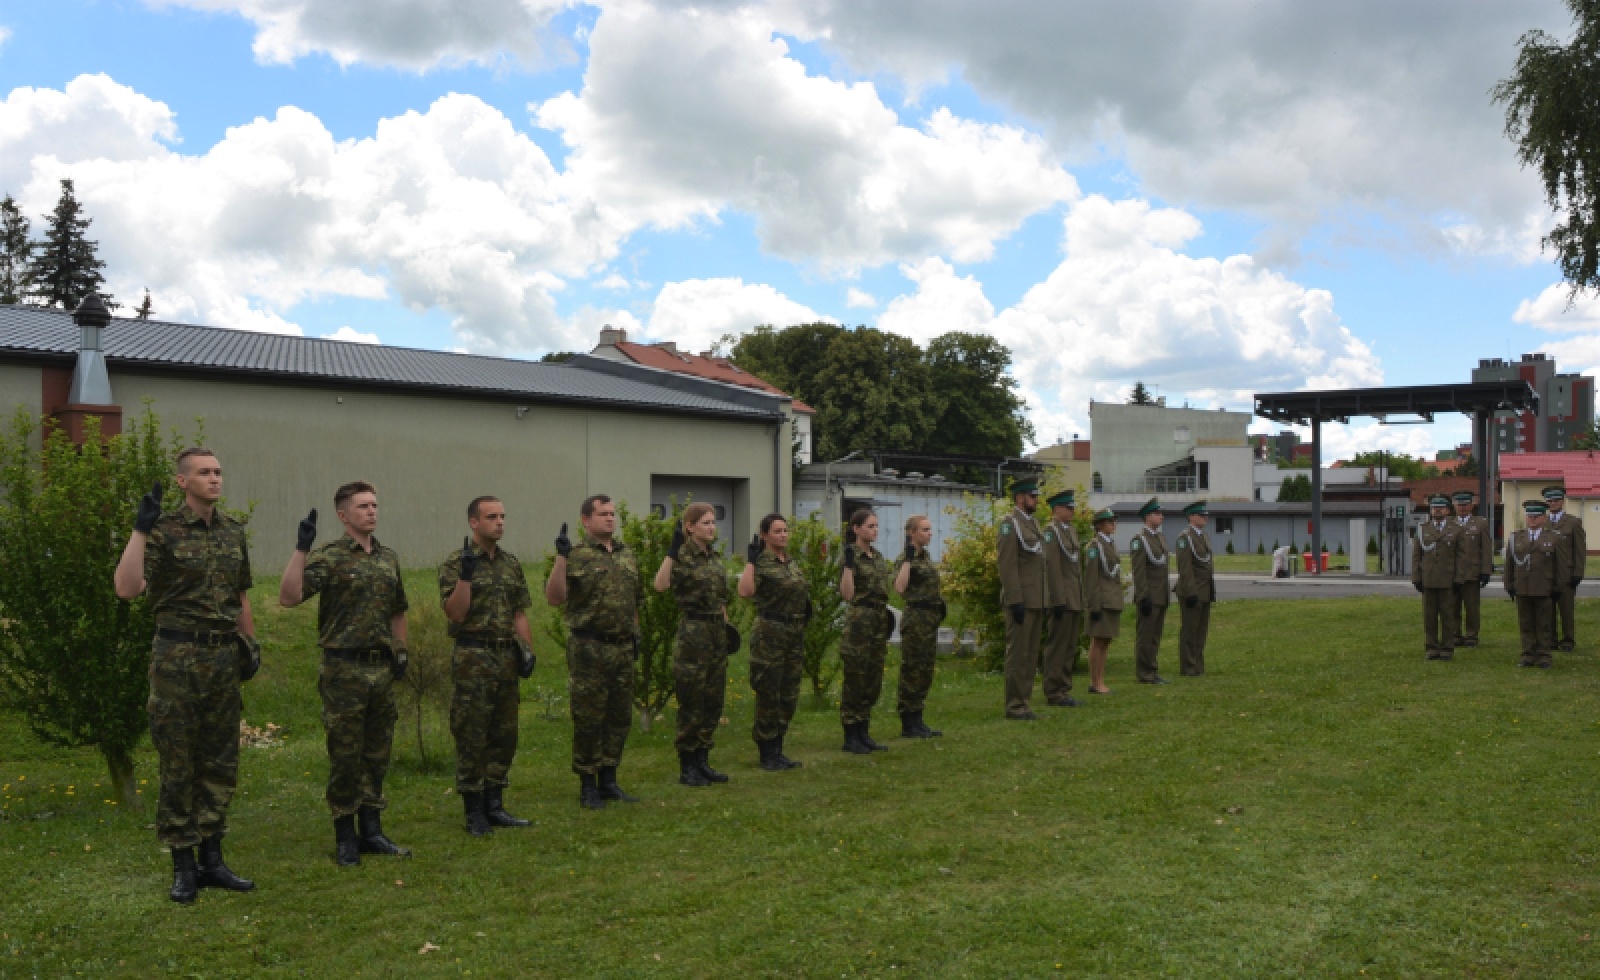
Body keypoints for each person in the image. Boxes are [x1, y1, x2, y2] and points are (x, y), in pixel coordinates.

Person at [113, 448, 258, 904]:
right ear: (182, 482)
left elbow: (241, 595)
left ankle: (213, 859)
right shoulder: (163, 530)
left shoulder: (233, 531)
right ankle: (183, 864)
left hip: (222, 659)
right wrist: (140, 529)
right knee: (178, 760)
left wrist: (250, 644)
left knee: (219, 760)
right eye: (204, 473)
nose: (215, 479)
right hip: (178, 657)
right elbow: (127, 587)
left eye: (218, 471)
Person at [279, 482, 411, 865]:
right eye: (363, 506)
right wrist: (301, 549)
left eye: (374, 504)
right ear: (343, 515)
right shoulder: (330, 557)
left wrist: (401, 651)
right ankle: (345, 834)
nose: (372, 511)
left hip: (380, 667)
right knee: (346, 754)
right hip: (344, 669)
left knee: (377, 752)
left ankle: (372, 830)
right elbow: (288, 597)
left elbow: (397, 609)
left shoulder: (388, 557)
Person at [440, 496, 535, 834]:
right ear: (473, 522)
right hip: (473, 657)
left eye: (503, 516)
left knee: (504, 732)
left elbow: (519, 611)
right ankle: (474, 810)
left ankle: (495, 804)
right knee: (472, 732)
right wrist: (466, 577)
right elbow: (455, 613)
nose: (500, 522)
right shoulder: (456, 562)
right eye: (492, 517)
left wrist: (527, 649)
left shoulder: (510, 563)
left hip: (506, 657)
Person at [546, 495, 643, 809]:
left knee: (618, 716)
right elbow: (554, 597)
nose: (610, 519)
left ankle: (609, 779)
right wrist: (561, 558)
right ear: (586, 520)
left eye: (613, 514)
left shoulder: (627, 555)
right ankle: (588, 783)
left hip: (623, 647)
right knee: (589, 717)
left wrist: (636, 634)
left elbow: (634, 601)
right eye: (603, 514)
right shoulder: (576, 555)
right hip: (590, 646)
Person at [653, 502, 734, 788]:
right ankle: (687, 764)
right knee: (693, 697)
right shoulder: (682, 556)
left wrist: (727, 628)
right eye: (705, 523)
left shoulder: (712, 557)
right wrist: (671, 552)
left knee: (713, 698)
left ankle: (703, 759)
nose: (712, 527)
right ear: (690, 526)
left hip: (715, 631)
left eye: (713, 522)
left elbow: (720, 598)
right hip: (694, 631)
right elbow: (660, 585)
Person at [738, 514, 808, 771]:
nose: (783, 535)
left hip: (793, 633)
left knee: (788, 692)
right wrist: (751, 561)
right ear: (765, 535)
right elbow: (745, 592)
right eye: (777, 531)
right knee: (769, 691)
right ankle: (767, 750)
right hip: (770, 632)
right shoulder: (762, 562)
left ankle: (779, 746)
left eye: (785, 530)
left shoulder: (790, 562)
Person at [838, 508, 893, 753]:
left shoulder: (878, 556)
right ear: (856, 529)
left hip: (878, 619)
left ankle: (864, 729)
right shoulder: (851, 555)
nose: (875, 530)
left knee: (872, 676)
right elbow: (847, 594)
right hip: (860, 618)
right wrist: (849, 566)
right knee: (856, 676)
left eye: (876, 526)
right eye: (870, 526)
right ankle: (851, 733)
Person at [997, 478, 1049, 720]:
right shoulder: (1010, 525)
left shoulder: (1032, 524)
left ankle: (1024, 702)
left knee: (1030, 654)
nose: (1036, 500)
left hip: (1036, 598)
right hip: (1022, 600)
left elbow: (1039, 565)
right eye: (1032, 496)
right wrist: (1014, 599)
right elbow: (1007, 566)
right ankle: (1014, 705)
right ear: (1020, 498)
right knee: (1018, 654)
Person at [893, 514, 946, 737]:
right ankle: (908, 720)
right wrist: (907, 559)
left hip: (930, 618)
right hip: (916, 617)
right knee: (912, 669)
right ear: (912, 533)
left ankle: (918, 718)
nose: (929, 533)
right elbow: (899, 588)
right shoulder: (906, 558)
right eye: (924, 530)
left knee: (924, 669)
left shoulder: (926, 557)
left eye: (929, 529)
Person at [1505, 499, 1570, 668]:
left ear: (1544, 518)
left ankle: (1544, 656)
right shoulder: (1516, 537)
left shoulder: (1555, 538)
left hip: (1544, 588)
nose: (1532, 519)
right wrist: (1509, 585)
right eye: (1529, 516)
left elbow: (1561, 566)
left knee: (1544, 624)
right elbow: (1509, 565)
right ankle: (1527, 655)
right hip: (1523, 587)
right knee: (1526, 623)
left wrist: (1558, 587)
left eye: (1536, 516)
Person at [1040, 490, 1084, 707]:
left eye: (1072, 507)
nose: (1072, 511)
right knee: (1057, 646)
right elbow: (1052, 568)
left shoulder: (1071, 531)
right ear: (1056, 509)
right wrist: (1057, 599)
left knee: (1069, 646)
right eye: (1068, 507)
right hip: (1061, 599)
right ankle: (1053, 691)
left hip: (1073, 596)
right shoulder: (1051, 532)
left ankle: (1064, 689)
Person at [1412, 494, 1461, 661]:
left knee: (1448, 616)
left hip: (1448, 579)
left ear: (1447, 510)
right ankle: (1431, 648)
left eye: (1441, 508)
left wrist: (1459, 579)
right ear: (1431, 510)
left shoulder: (1456, 529)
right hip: (1428, 578)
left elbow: (1461, 556)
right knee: (1429, 616)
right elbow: (1417, 556)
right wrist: (1416, 577)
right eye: (1434, 508)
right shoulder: (1423, 529)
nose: (1437, 510)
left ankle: (1447, 648)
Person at [1129, 498, 1171, 684]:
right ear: (1147, 516)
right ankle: (1144, 672)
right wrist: (1143, 595)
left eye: (1161, 513)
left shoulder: (1159, 537)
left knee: (1155, 634)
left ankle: (1152, 669)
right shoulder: (1139, 540)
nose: (1161, 516)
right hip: (1149, 595)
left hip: (1161, 593)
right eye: (1157, 513)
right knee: (1145, 635)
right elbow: (1139, 571)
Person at [1083, 508, 1124, 695]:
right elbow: (1091, 578)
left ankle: (1100, 680)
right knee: (1098, 642)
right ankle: (1095, 682)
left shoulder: (1109, 543)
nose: (1113, 524)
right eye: (1109, 522)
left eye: (1113, 521)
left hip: (1112, 598)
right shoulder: (1094, 546)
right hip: (1101, 600)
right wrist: (1094, 604)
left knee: (1106, 641)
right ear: (1099, 525)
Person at [1173, 500, 1216, 677]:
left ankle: (1198, 665)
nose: (1204, 517)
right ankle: (1188, 667)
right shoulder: (1185, 538)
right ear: (1191, 517)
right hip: (1192, 590)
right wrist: (1191, 591)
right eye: (1200, 515)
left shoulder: (1203, 536)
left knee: (1201, 630)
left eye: (1205, 514)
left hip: (1205, 589)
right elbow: (1185, 567)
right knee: (1190, 630)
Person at [1543, 486, 1587, 652]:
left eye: (1556, 500)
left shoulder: (1573, 522)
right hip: (1547, 573)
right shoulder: (1543, 521)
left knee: (1566, 609)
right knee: (1548, 608)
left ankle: (1568, 640)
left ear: (1562, 501)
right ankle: (1551, 640)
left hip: (1566, 573)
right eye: (1550, 501)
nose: (1553, 503)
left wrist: (1578, 572)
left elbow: (1580, 550)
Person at [1450, 490, 1493, 649]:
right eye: (1459, 505)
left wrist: (1486, 570)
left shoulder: (1480, 524)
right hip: (1453, 574)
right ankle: (1455, 635)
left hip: (1472, 573)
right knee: (1453, 607)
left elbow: (1486, 549)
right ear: (1454, 506)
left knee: (1472, 608)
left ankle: (1471, 636)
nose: (1462, 508)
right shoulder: (1449, 524)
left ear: (1471, 505)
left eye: (1465, 504)